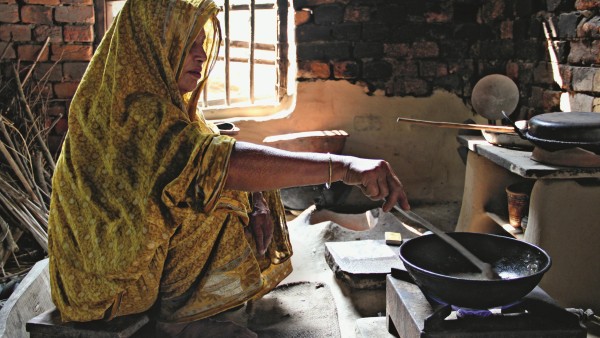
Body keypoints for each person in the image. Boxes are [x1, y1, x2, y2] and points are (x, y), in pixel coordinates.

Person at [47, 0, 410, 336]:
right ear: (153, 44)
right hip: (104, 292)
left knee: (236, 193)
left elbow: (215, 155)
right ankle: (179, 323)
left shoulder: (165, 104)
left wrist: (257, 202)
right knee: (214, 194)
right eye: (186, 41)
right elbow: (218, 162)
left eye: (201, 40)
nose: (200, 53)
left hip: (128, 271)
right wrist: (345, 167)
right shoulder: (134, 112)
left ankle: (190, 311)